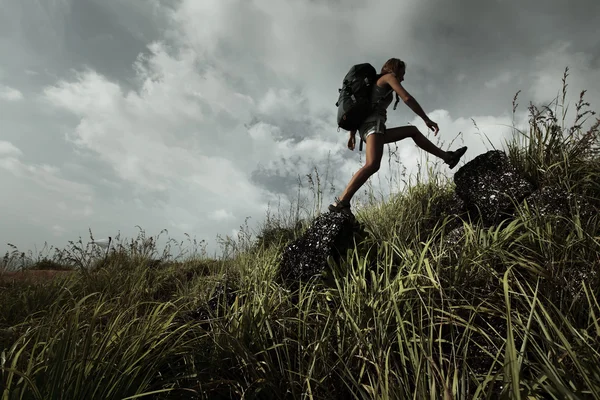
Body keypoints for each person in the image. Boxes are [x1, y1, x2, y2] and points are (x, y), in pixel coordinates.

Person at [329, 58, 467, 214]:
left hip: (370, 128)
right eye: (403, 73)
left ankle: (448, 157)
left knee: (412, 131)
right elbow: (407, 98)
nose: (403, 78)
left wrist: (352, 135)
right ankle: (341, 201)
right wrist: (426, 119)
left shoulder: (375, 83)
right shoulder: (388, 77)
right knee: (372, 164)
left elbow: (362, 107)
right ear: (395, 69)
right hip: (374, 126)